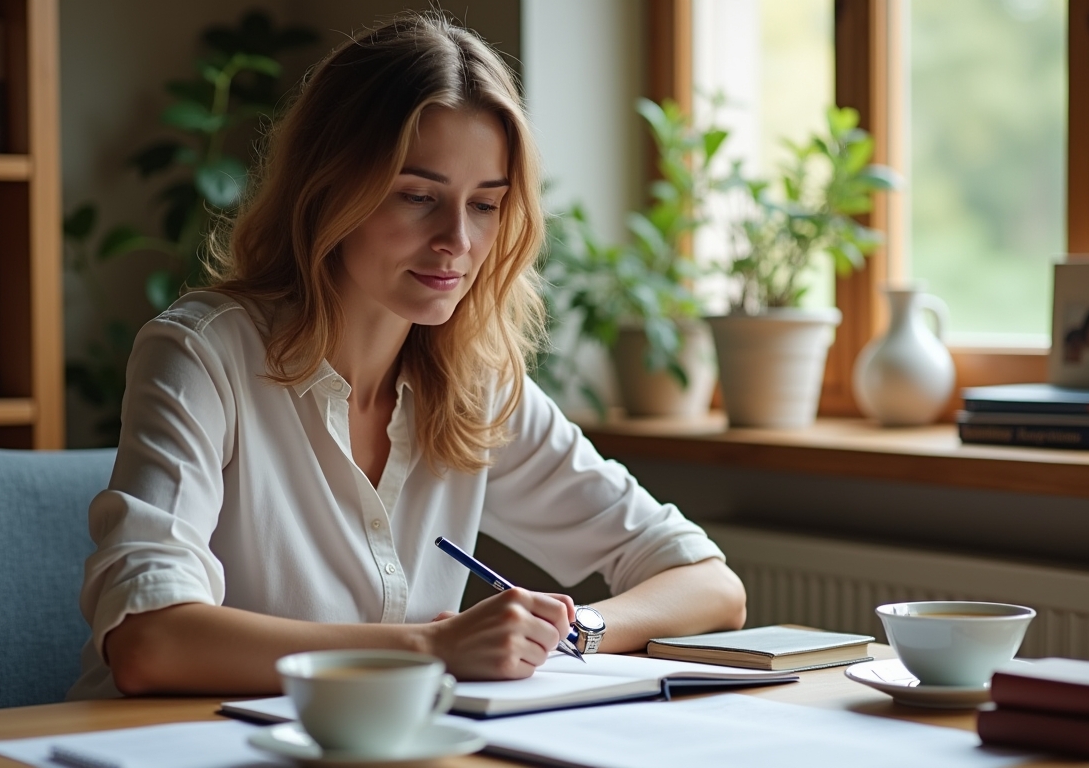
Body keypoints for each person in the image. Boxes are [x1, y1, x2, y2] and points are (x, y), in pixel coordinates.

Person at [68, 13, 746, 700]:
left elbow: (711, 584)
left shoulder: (472, 386)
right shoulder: (202, 355)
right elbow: (149, 643)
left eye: (485, 205)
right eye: (418, 196)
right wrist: (432, 647)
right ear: (329, 186)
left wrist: (574, 630)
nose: (457, 239)